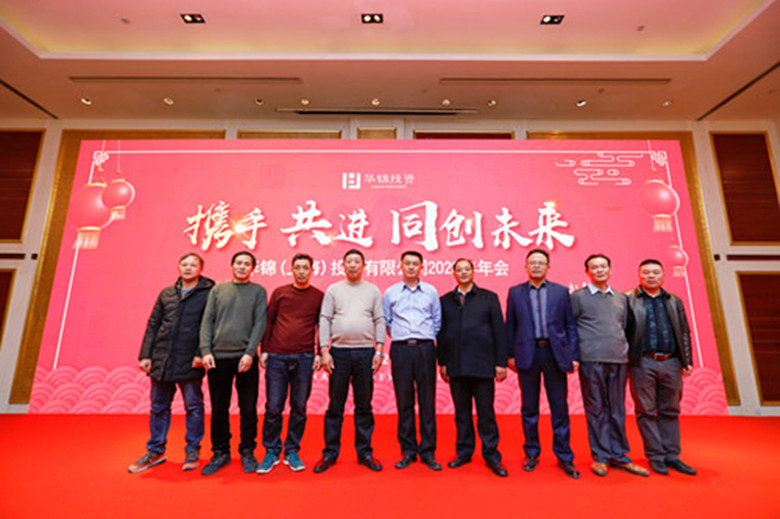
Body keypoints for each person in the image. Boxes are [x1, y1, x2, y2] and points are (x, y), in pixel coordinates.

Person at [129, 253, 214, 473]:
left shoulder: (209, 293)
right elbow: (153, 324)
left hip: (190, 359)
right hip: (162, 359)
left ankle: (193, 449)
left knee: (194, 407)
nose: (188, 268)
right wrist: (146, 355)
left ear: (201, 269)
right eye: (184, 264)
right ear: (178, 267)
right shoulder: (167, 293)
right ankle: (155, 450)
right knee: (158, 407)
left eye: (193, 265)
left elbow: (210, 325)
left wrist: (201, 353)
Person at [506, 249, 580, 479]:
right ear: (526, 266)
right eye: (532, 262)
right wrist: (509, 355)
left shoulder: (561, 291)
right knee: (529, 408)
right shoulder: (515, 292)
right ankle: (531, 452)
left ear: (548, 266)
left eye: (541, 262)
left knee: (559, 407)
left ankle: (564, 456)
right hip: (527, 354)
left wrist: (574, 355)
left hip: (555, 355)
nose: (536, 266)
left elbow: (570, 326)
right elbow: (510, 326)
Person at [571, 254, 647, 477]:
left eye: (603, 266)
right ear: (587, 272)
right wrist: (574, 356)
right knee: (596, 408)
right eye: (594, 267)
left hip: (618, 360)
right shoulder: (577, 297)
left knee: (617, 409)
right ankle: (601, 456)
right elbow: (569, 329)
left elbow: (625, 327)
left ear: (610, 270)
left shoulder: (621, 298)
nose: (599, 270)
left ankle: (619, 455)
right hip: (591, 360)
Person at [314, 249, 386, 473]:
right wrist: (324, 350)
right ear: (343, 265)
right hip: (339, 353)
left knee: (364, 405)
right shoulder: (334, 290)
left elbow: (380, 320)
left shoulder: (372, 290)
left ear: (363, 266)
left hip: (365, 353)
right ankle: (330, 453)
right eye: (349, 261)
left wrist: (379, 351)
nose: (353, 265)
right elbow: (324, 319)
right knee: (335, 405)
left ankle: (365, 452)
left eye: (357, 261)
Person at [438, 258, 509, 477]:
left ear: (473, 271)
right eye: (459, 270)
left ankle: (492, 455)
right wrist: (442, 362)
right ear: (454, 273)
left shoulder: (488, 297)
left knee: (486, 413)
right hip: (456, 365)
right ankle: (464, 452)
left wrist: (501, 362)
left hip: (483, 364)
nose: (463, 272)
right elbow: (441, 333)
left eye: (467, 269)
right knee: (462, 413)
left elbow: (499, 331)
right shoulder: (445, 300)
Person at [199, 251, 267, 475]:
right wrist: (206, 350)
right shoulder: (218, 290)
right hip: (218, 358)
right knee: (219, 407)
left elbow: (260, 324)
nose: (242, 266)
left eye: (247, 264)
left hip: (245, 358)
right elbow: (207, 321)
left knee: (248, 407)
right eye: (238, 263)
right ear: (232, 265)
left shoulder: (258, 291)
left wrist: (250, 353)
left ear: (252, 268)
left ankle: (247, 450)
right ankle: (220, 452)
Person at [626, 259, 696, 476]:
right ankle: (655, 456)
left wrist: (687, 360)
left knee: (670, 409)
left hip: (671, 361)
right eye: (646, 272)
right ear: (639, 275)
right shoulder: (628, 300)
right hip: (642, 362)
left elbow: (684, 331)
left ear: (663, 275)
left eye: (655, 272)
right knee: (646, 410)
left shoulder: (674, 301)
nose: (651, 276)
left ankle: (672, 455)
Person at [256, 253, 324, 474]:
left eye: (305, 268)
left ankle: (292, 450)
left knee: (299, 406)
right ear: (292, 269)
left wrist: (319, 353)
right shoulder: (280, 293)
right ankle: (271, 451)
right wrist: (265, 350)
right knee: (273, 407)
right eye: (297, 267)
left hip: (304, 357)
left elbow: (322, 326)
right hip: (277, 356)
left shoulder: (318, 296)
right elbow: (269, 322)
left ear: (312, 270)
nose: (301, 271)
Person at [383, 251, 442, 471]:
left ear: (421, 267)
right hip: (400, 349)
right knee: (404, 400)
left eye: (415, 264)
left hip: (425, 348)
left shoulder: (431, 291)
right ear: (401, 266)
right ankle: (408, 450)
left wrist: (424, 338)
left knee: (427, 400)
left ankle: (428, 451)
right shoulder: (391, 292)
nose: (410, 267)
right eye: (407, 263)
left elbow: (437, 320)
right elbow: (387, 321)